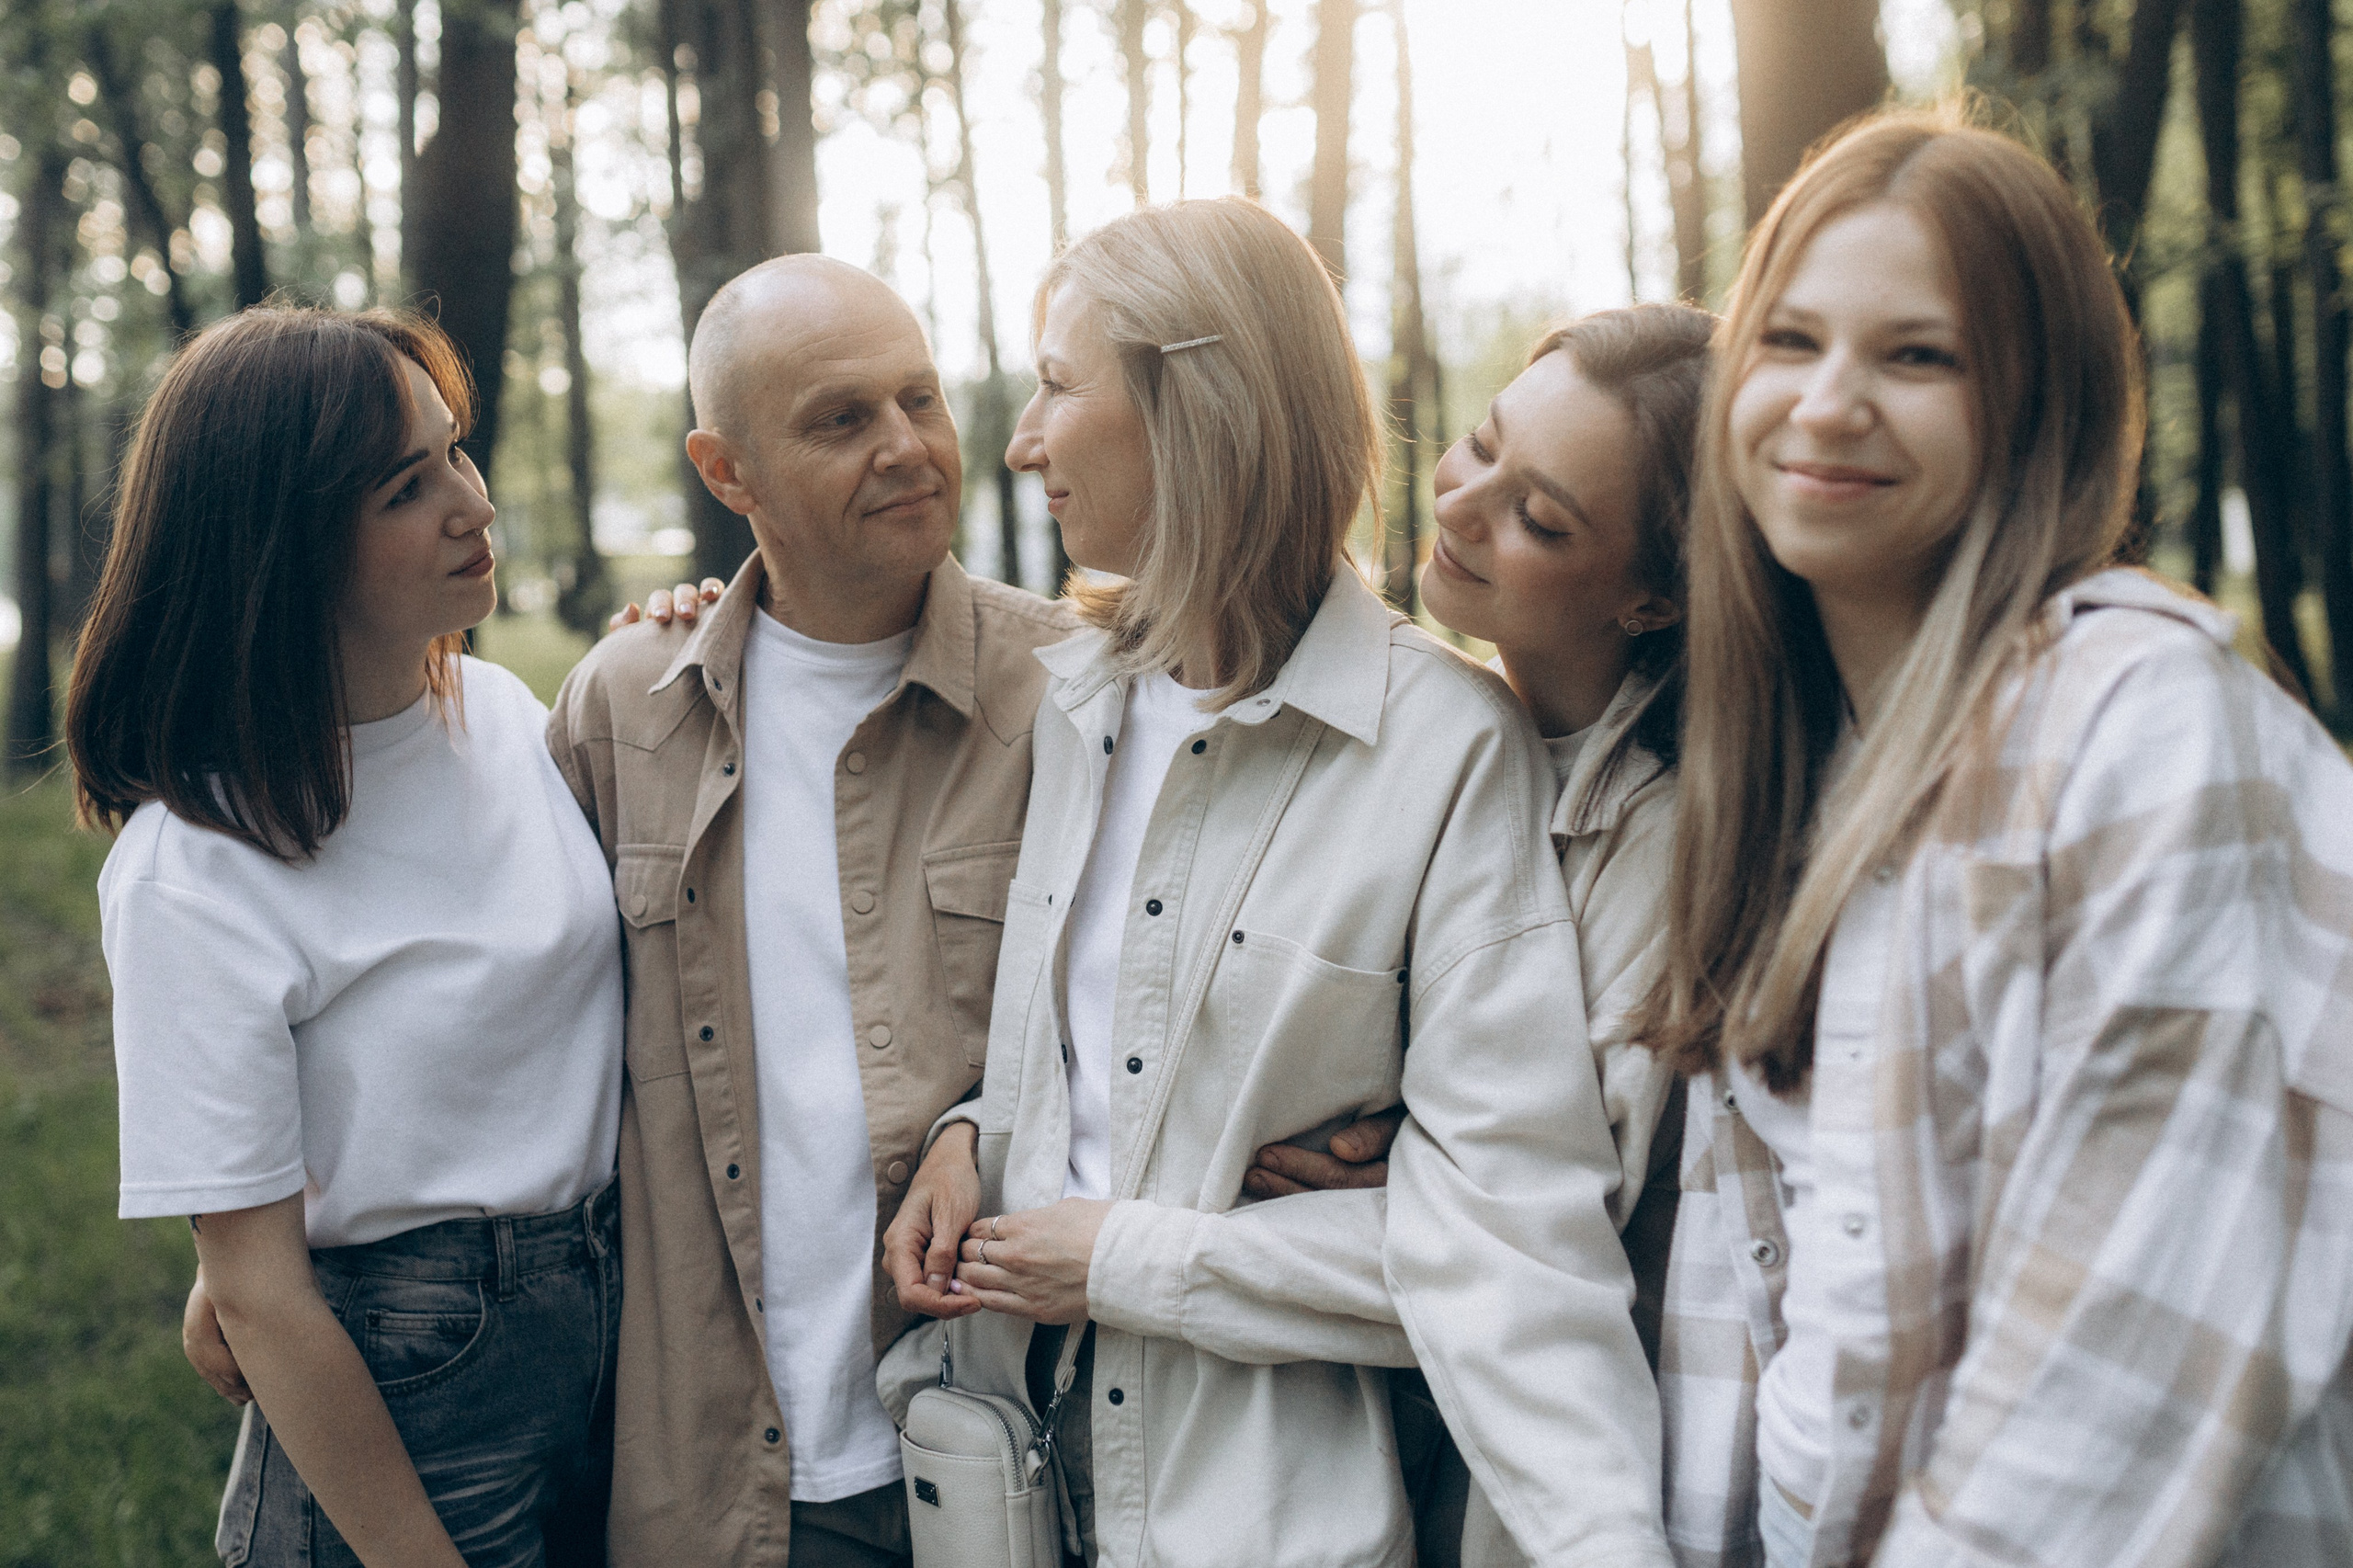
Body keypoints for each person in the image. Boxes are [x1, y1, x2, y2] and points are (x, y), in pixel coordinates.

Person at [880, 198, 1673, 1568]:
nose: (1019, 439)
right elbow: (1102, 1045)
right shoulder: (1073, 700)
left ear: (1197, 414)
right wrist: (974, 1126)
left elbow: (1516, 1245)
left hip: (1249, 1521)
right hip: (1000, 1485)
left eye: (1061, 386)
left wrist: (1123, 1256)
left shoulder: (1448, 752)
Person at [1644, 107, 2353, 1567]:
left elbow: (2126, 1353)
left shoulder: (2140, 720)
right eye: (1789, 340)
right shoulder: (1785, 773)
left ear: (2038, 405)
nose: (1829, 404)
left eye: (1919, 356)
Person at [542, 255, 1077, 1567]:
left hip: (1012, 1444)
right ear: (728, 474)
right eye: (841, 420)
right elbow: (502, 1026)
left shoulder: (1074, 690)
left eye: (920, 398)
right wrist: (261, 1234)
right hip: (714, 1471)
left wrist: (970, 1123)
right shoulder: (625, 706)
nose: (907, 447)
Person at [70, 308, 623, 1566]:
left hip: (610, 1334)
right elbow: (259, 1294)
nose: (472, 506)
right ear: (283, 543)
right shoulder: (195, 864)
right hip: (406, 1396)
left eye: (458, 454)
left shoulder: (501, 710)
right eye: (405, 487)